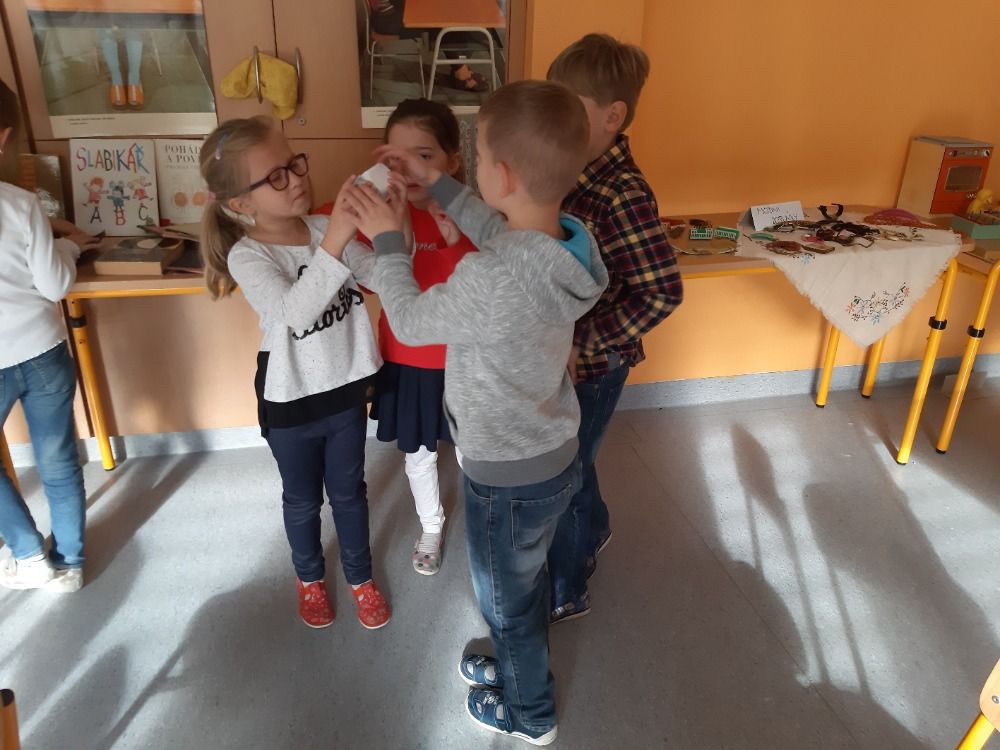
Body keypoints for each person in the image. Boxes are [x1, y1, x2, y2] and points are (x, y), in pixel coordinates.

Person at [343, 80, 607, 745]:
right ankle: (520, 662)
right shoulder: (565, 244)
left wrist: (389, 242)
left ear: (503, 175)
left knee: (504, 602)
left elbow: (409, 319)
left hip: (505, 471)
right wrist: (436, 180)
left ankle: (530, 713)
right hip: (554, 450)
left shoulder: (492, 278)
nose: (477, 169)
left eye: (479, 157)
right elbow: (497, 229)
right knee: (524, 576)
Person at [198, 116, 389, 630]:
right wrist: (337, 238)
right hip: (292, 402)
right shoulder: (248, 255)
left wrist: (390, 223)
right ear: (241, 204)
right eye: (276, 176)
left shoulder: (325, 229)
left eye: (294, 164)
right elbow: (296, 314)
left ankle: (360, 577)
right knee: (303, 500)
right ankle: (309, 578)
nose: (297, 179)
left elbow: (381, 273)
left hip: (344, 392)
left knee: (349, 494)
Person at [545, 34, 684, 624]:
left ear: (612, 116)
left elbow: (662, 290)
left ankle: (566, 588)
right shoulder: (570, 170)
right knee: (576, 458)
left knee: (565, 472)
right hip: (561, 354)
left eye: (567, 107)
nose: (554, 119)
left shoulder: (621, 192)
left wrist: (585, 340)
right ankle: (596, 526)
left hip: (594, 364)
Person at [361, 99, 477, 575]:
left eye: (423, 155)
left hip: (465, 361)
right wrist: (395, 230)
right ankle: (431, 525)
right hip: (407, 362)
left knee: (474, 453)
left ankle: (484, 522)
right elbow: (375, 283)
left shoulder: (472, 215)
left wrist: (451, 240)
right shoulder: (381, 216)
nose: (408, 168)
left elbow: (481, 287)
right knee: (419, 457)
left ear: (452, 160)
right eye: (397, 158)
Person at [0, 78, 99, 593]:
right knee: (58, 459)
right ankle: (70, 563)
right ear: (5, 135)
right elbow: (56, 284)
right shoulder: (20, 203)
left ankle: (26, 554)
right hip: (42, 349)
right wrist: (72, 246)